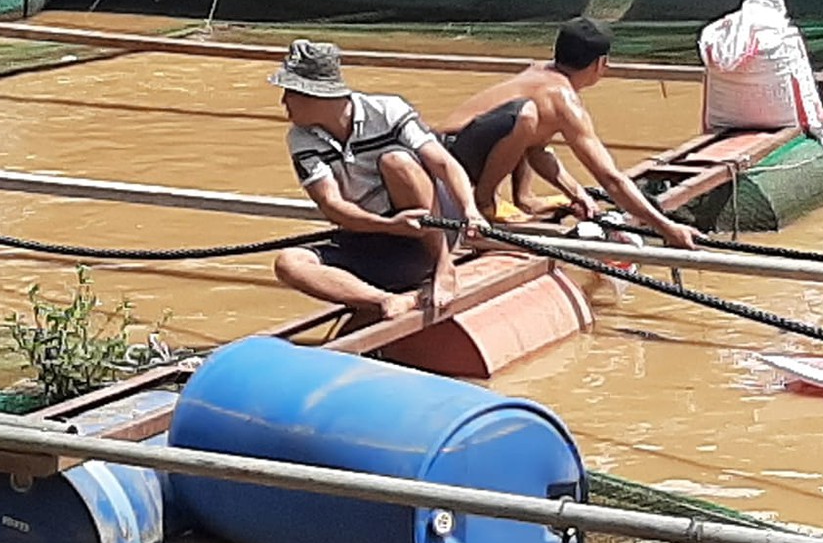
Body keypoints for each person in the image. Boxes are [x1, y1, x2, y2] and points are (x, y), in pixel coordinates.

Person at [269, 39, 487, 321]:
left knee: (396, 161)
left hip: (431, 227)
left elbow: (443, 163)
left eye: (289, 92)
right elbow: (331, 203)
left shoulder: (388, 111)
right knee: (288, 263)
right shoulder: (300, 139)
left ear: (314, 94)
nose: (283, 102)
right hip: (374, 234)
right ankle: (384, 300)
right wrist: (389, 226)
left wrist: (471, 211)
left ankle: (443, 265)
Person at [434, 17, 697, 249]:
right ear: (600, 63)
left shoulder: (539, 72)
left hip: (447, 149)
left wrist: (576, 192)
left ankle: (526, 200)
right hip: (452, 156)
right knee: (525, 117)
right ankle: (485, 201)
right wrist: (666, 228)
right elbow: (611, 179)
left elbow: (536, 151)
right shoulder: (564, 100)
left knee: (530, 124)